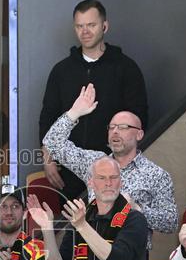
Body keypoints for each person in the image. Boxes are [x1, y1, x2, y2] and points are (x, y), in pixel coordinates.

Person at [39, 0, 148, 201]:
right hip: (69, 172)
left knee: (112, 228)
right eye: (80, 26)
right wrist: (48, 158)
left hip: (113, 171)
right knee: (73, 229)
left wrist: (123, 162)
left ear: (105, 26)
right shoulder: (61, 71)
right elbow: (48, 117)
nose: (85, 31)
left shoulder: (126, 68)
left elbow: (139, 118)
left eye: (91, 25)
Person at [44, 83, 177, 240]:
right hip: (92, 250)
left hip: (132, 254)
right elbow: (52, 143)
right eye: (111, 127)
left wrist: (136, 208)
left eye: (123, 127)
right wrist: (74, 113)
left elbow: (171, 222)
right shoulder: (94, 162)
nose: (115, 131)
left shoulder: (156, 175)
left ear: (139, 134)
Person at [62, 156, 149, 260]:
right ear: (91, 183)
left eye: (113, 177)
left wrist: (81, 226)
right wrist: (46, 229)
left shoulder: (135, 219)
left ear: (121, 182)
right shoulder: (81, 220)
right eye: (102, 178)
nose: (108, 183)